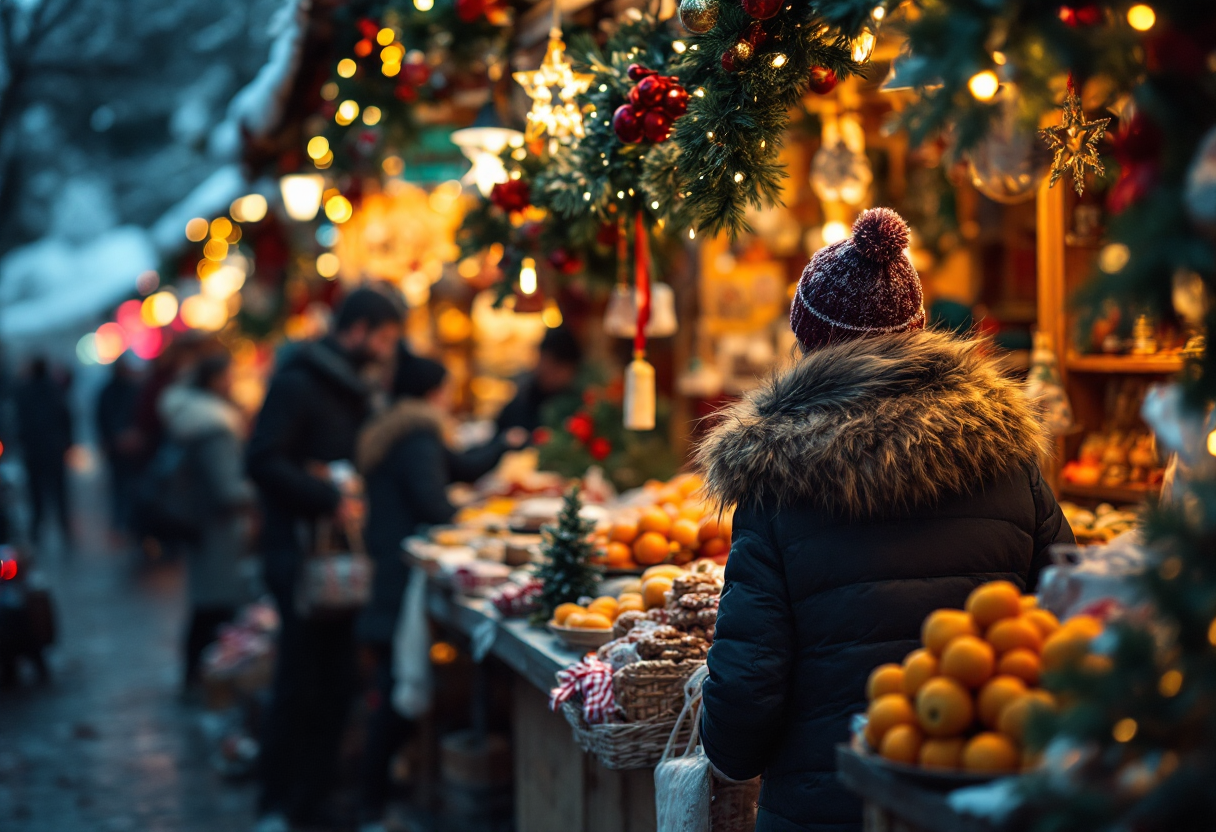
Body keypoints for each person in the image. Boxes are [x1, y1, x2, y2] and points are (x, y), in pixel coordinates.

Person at [694, 208, 1075, 832]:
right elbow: (1072, 614)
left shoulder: (774, 479)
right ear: (917, 333)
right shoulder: (1007, 455)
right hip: (979, 793)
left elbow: (746, 685)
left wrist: (727, 749)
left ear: (809, 345)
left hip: (828, 807)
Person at [246, 286, 404, 832]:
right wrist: (328, 497)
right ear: (356, 330)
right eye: (383, 338)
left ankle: (315, 796)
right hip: (297, 559)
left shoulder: (356, 390)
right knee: (299, 680)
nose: (387, 350)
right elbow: (262, 460)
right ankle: (278, 801)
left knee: (338, 681)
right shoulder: (297, 383)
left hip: (342, 566)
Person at [353, 344, 527, 831]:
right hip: (400, 574)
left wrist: (501, 446)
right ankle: (371, 803)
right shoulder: (417, 437)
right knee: (393, 690)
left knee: (391, 686)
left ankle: (381, 791)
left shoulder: (403, 431)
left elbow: (458, 467)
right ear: (434, 391)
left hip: (391, 567)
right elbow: (435, 504)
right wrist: (477, 511)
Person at [158, 353, 253, 689]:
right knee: (215, 606)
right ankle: (208, 678)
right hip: (218, 529)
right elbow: (228, 488)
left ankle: (200, 675)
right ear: (215, 380)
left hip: (201, 524)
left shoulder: (195, 419)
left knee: (207, 604)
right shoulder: (215, 426)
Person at [14, 357, 73, 544]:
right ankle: (63, 529)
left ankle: (38, 531)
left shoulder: (25, 392)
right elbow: (66, 418)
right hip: (52, 450)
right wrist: (66, 443)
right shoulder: (54, 390)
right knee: (58, 493)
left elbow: (20, 423)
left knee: (37, 494)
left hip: (35, 452)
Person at [495, 325, 583, 434]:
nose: (542, 367)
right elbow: (500, 431)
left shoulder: (575, 407)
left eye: (554, 366)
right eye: (543, 359)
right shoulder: (524, 397)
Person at [95, 358, 142, 536]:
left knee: (122, 487)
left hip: (123, 447)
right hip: (120, 448)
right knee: (122, 486)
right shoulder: (130, 390)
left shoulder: (108, 391)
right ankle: (123, 524)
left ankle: (124, 524)